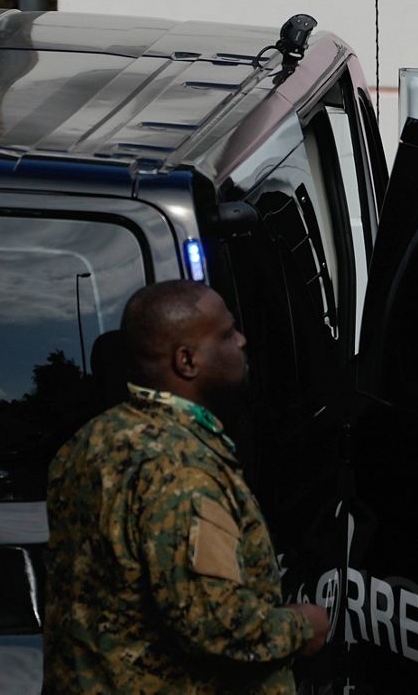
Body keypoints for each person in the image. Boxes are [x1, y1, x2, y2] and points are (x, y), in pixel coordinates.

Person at [44, 281, 329, 694]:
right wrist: (304, 627)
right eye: (228, 334)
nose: (243, 341)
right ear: (187, 361)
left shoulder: (92, 439)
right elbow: (213, 624)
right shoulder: (182, 470)